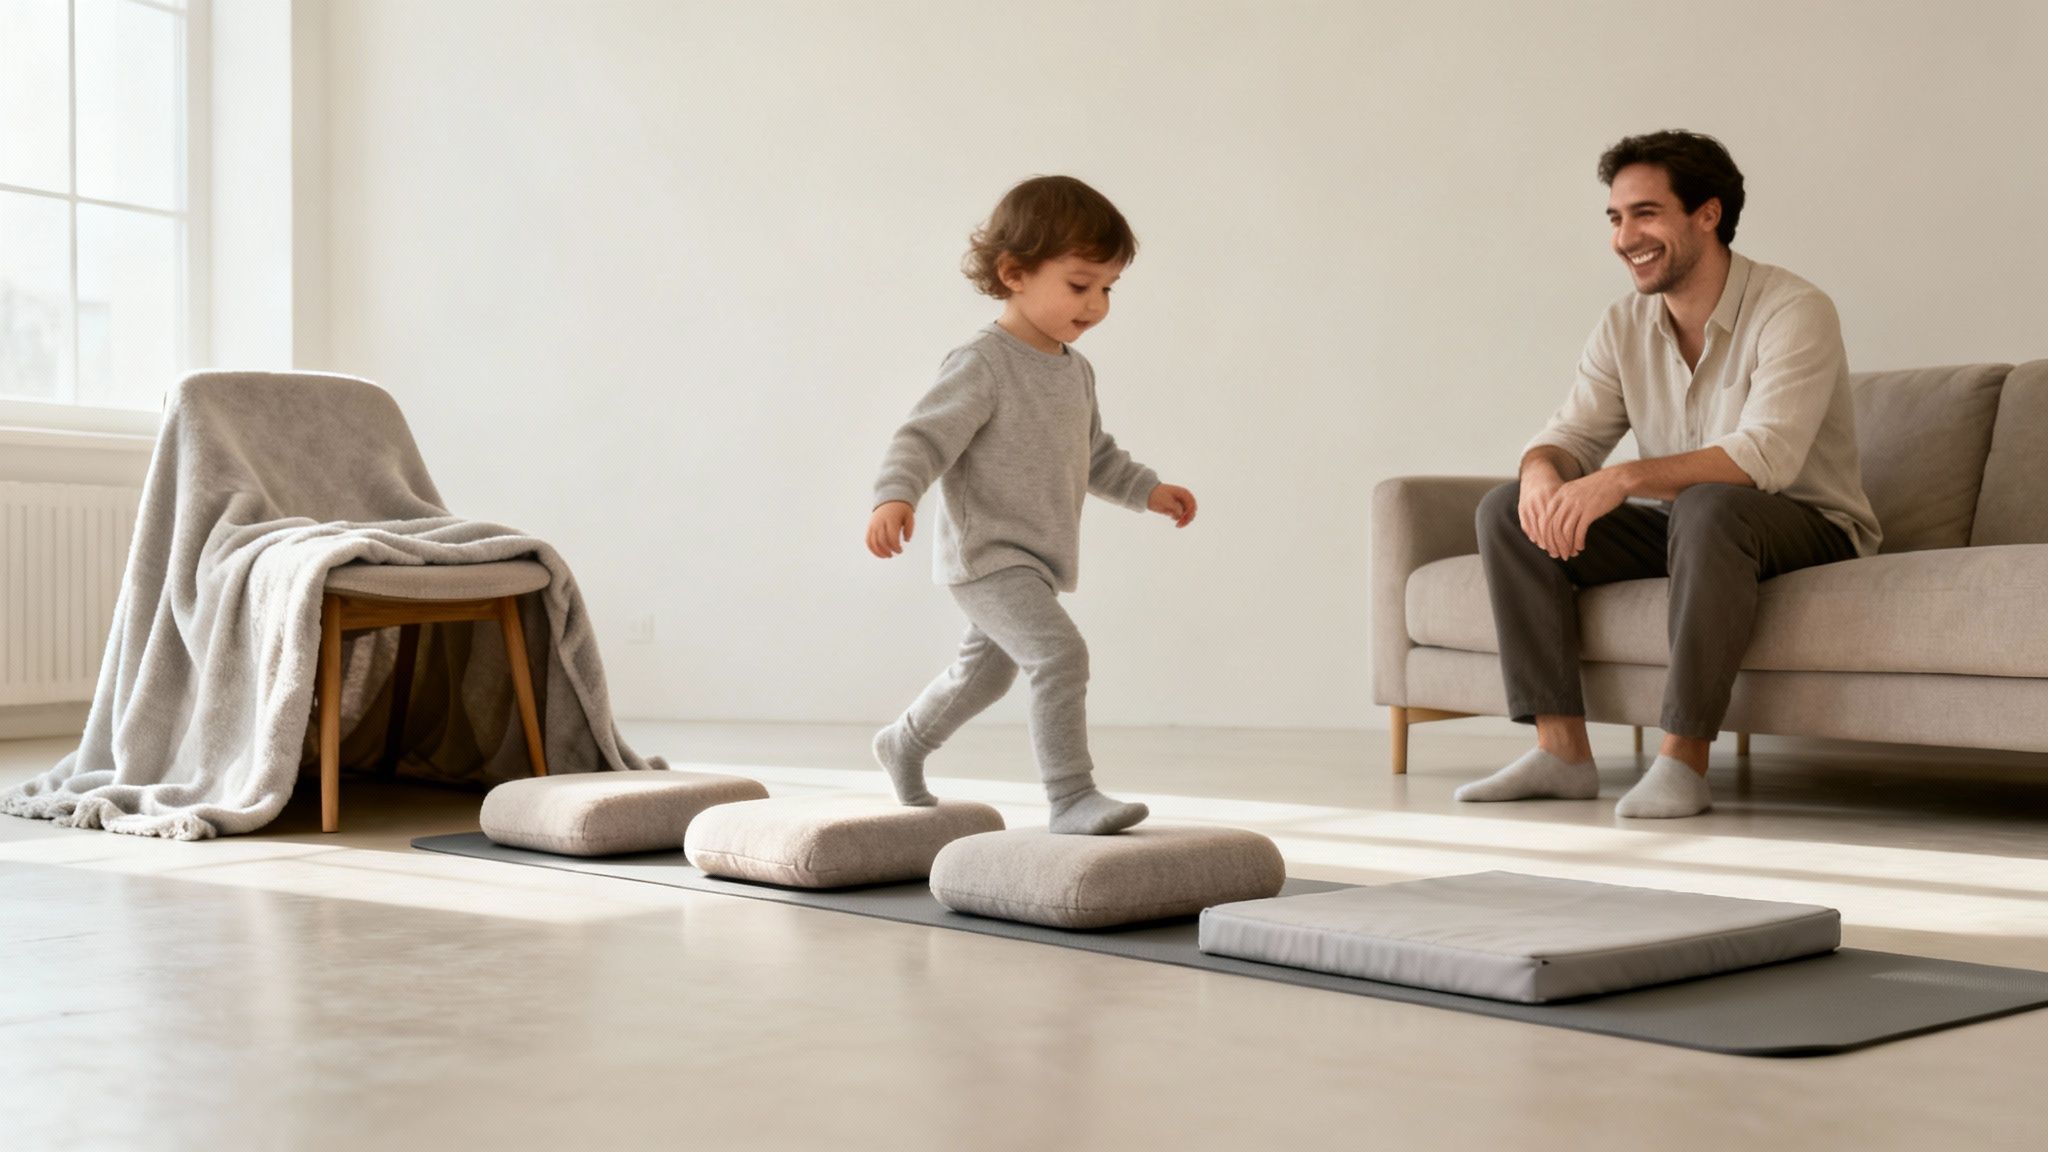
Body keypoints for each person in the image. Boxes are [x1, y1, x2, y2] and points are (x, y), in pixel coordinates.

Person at [1456, 130, 1880, 818]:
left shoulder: (1794, 309)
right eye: (1616, 218)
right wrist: (1541, 475)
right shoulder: (1623, 324)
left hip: (1807, 526)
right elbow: (1569, 435)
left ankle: (1683, 761)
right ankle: (1561, 752)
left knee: (1708, 504)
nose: (1625, 237)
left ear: (1708, 214)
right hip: (1692, 526)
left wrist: (1622, 479)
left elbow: (1765, 456)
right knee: (1506, 511)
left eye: (1646, 214)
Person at [865, 175, 1198, 834]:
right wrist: (895, 495)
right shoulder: (983, 362)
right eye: (1080, 285)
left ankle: (903, 742)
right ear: (1014, 273)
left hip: (1038, 559)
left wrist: (1148, 489)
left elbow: (1094, 454)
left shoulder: (1075, 370)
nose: (1096, 304)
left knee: (984, 676)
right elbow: (923, 436)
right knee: (1060, 656)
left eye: (1108, 289)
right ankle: (1071, 796)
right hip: (988, 554)